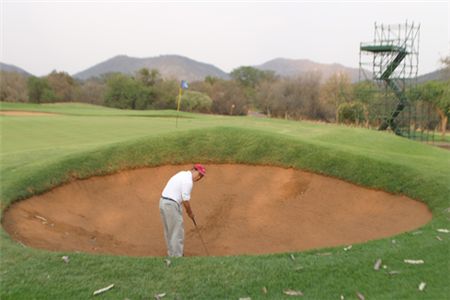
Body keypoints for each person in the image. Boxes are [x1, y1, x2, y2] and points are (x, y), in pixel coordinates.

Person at [159, 164, 206, 257]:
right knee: (177, 231)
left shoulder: (182, 174)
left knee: (169, 231)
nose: (199, 177)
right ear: (193, 170)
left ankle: (172, 254)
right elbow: (185, 200)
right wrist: (190, 213)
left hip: (163, 202)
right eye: (199, 174)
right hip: (171, 205)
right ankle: (177, 256)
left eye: (201, 176)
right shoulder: (188, 181)